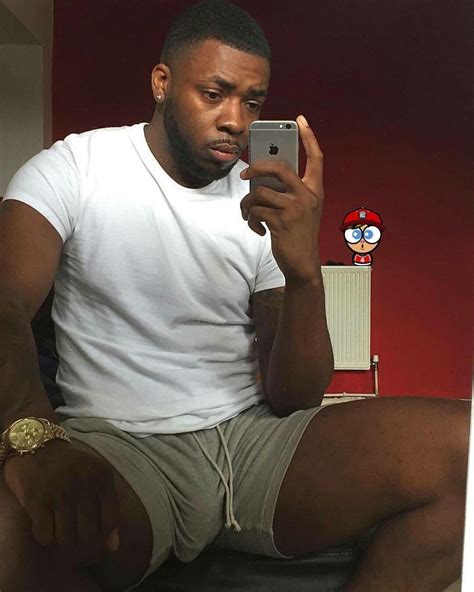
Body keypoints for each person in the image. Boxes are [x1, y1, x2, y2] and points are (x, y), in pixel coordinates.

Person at [0, 1, 468, 591]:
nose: (235, 121)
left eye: (253, 103)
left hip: (248, 443)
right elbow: (5, 303)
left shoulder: (260, 203)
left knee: (466, 448)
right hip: (122, 445)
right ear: (162, 83)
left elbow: (294, 396)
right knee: (17, 530)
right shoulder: (73, 169)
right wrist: (33, 440)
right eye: (214, 94)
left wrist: (303, 270)